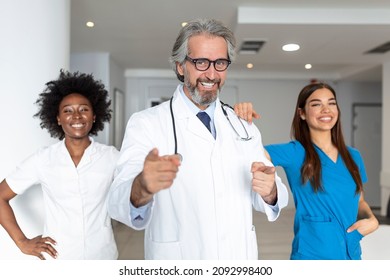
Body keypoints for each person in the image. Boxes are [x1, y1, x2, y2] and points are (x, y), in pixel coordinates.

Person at [107, 18, 288, 260]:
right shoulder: (146, 124)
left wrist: (271, 191)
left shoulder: (243, 126)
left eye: (220, 63)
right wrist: (142, 185)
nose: (212, 73)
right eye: (201, 62)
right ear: (181, 66)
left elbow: (272, 192)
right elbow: (117, 199)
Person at [234, 82, 379, 260]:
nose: (326, 109)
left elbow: (360, 201)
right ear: (302, 113)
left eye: (331, 103)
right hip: (312, 255)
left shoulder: (353, 156)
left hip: (351, 253)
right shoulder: (295, 152)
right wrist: (240, 121)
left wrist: (372, 220)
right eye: (317, 104)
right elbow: (249, 153)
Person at [0, 70, 119, 260]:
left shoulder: (111, 157)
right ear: (58, 118)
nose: (77, 116)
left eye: (84, 109)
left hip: (102, 257)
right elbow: (1, 196)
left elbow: (135, 191)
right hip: (59, 259)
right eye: (68, 111)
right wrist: (22, 242)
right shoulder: (43, 159)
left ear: (94, 116)